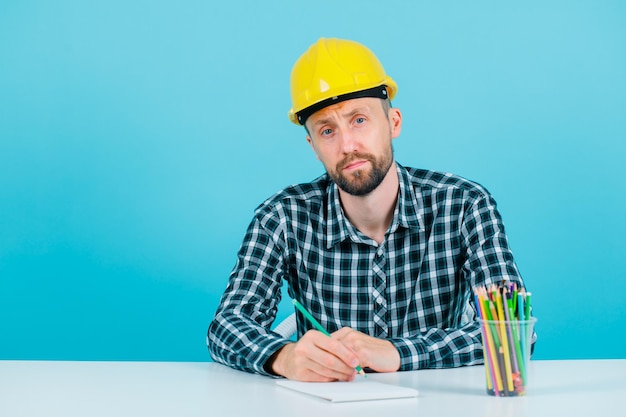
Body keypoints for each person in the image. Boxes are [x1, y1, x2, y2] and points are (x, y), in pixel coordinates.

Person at [207, 37, 533, 382]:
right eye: (327, 130)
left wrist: (396, 352)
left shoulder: (464, 205)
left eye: (359, 120)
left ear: (393, 122)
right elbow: (227, 326)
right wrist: (283, 357)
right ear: (313, 147)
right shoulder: (283, 217)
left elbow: (513, 332)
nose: (347, 145)